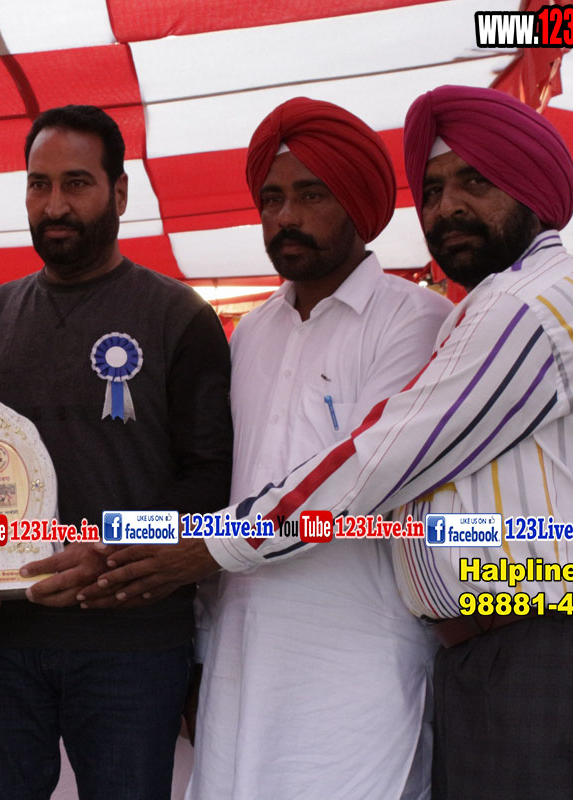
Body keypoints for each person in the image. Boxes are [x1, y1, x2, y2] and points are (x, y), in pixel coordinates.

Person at [89, 85, 573, 800]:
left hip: (535, 644)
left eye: (476, 182)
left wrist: (205, 548)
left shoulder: (513, 307)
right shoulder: (258, 330)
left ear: (530, 187)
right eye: (434, 189)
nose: (448, 207)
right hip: (477, 649)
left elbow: (375, 465)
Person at [0, 104, 233, 800]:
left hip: (131, 641)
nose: (54, 205)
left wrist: (109, 548)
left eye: (76, 183)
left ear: (119, 192)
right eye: (38, 185)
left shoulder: (180, 318)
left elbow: (210, 481)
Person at [187, 97, 450, 800]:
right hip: (241, 648)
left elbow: (365, 477)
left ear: (358, 203)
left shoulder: (418, 321)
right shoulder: (251, 332)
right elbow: (234, 485)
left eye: (311, 195)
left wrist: (201, 550)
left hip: (358, 655)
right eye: (271, 199)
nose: (285, 216)